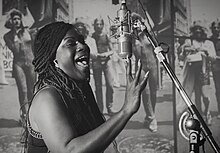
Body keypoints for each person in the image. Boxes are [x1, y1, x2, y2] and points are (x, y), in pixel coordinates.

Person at [25, 21, 149, 153]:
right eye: (71, 43)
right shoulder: (47, 97)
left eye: (82, 41)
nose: (83, 46)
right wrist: (126, 110)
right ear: (53, 58)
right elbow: (69, 151)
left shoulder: (78, 89)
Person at [177, 20, 216, 125]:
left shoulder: (209, 43)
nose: (198, 31)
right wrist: (185, 50)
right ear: (193, 32)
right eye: (196, 30)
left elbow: (213, 58)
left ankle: (207, 112)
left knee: (206, 96)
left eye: (200, 29)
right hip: (192, 72)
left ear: (203, 31)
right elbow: (181, 55)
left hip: (204, 72)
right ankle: (201, 115)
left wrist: (206, 53)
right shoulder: (189, 41)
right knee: (197, 96)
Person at [3, 9, 36, 122]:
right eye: (14, 19)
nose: (16, 21)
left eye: (18, 19)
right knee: (23, 90)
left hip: (31, 63)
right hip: (19, 64)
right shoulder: (7, 36)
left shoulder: (29, 32)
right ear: (11, 21)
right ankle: (25, 115)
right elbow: (15, 50)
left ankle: (33, 114)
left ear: (21, 20)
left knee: (32, 89)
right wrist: (15, 35)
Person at [131, 12, 158, 132]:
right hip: (141, 67)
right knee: (145, 93)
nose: (136, 24)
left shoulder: (149, 34)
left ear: (141, 22)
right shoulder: (131, 38)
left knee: (153, 92)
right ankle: (152, 118)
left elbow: (157, 48)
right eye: (133, 22)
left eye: (137, 21)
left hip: (153, 65)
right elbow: (129, 55)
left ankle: (150, 116)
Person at [91, 17, 115, 115]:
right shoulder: (92, 37)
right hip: (96, 62)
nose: (99, 26)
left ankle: (109, 107)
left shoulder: (106, 36)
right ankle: (100, 109)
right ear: (94, 25)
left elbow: (112, 50)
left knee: (110, 85)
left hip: (107, 62)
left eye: (101, 24)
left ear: (103, 25)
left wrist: (106, 54)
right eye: (97, 24)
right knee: (98, 87)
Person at [210, 19, 220, 119]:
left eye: (217, 27)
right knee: (218, 90)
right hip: (216, 68)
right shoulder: (210, 40)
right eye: (214, 27)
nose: (216, 29)